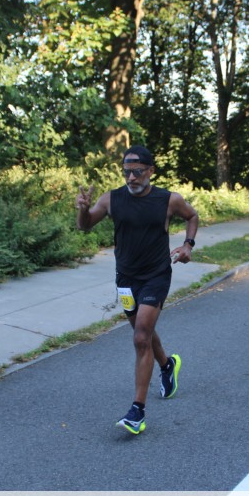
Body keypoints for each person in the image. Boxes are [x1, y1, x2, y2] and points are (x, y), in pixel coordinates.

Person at [75, 145, 199, 435]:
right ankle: (167, 365)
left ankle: (137, 411)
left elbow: (192, 217)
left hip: (156, 275)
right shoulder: (111, 199)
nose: (131, 177)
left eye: (137, 172)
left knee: (141, 336)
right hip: (126, 277)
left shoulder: (169, 200)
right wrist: (82, 209)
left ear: (150, 171)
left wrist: (188, 245)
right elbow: (85, 226)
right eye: (127, 172)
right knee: (143, 333)